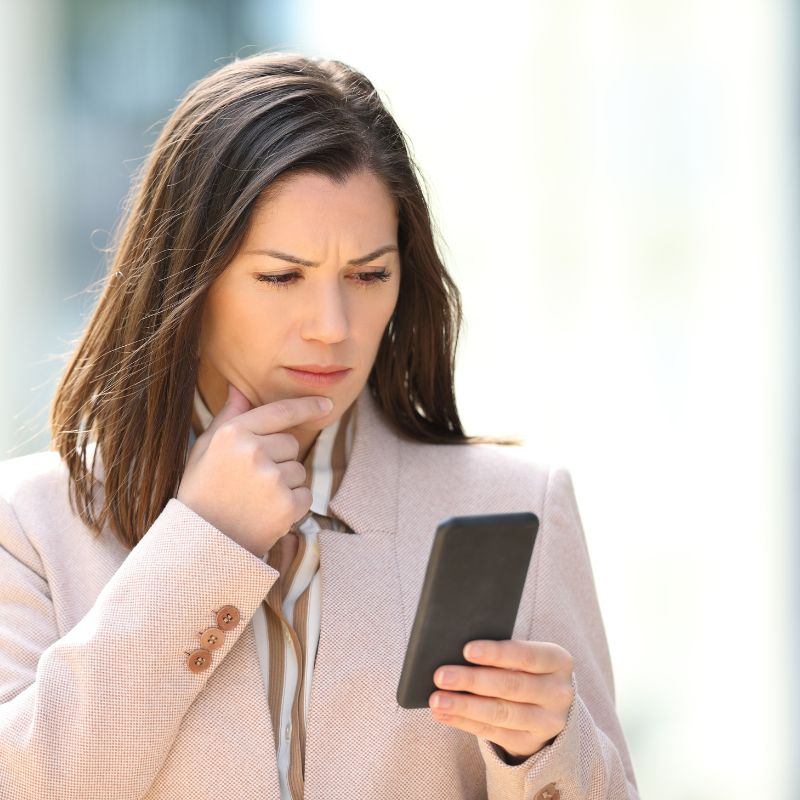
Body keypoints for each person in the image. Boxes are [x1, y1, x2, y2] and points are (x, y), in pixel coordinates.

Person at [0, 51, 639, 800]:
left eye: (369, 276)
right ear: (188, 278)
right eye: (281, 276)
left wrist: (546, 748)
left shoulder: (516, 502)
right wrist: (204, 543)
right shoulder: (34, 524)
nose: (333, 327)